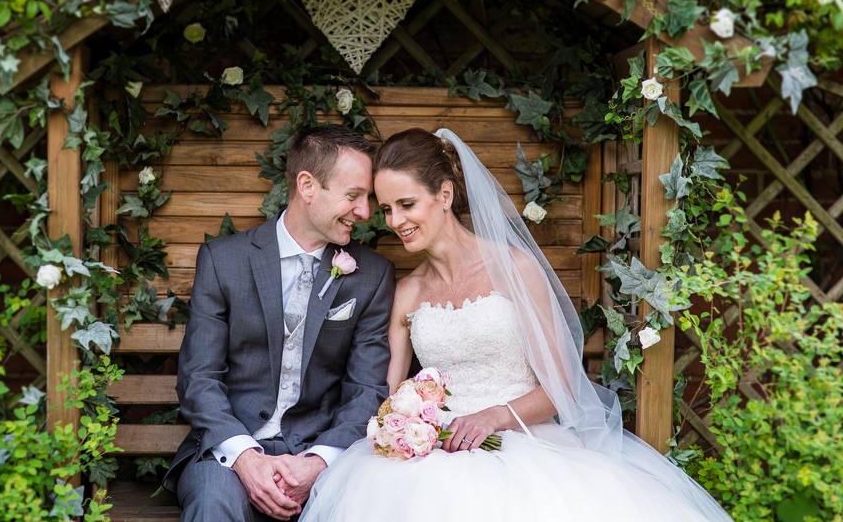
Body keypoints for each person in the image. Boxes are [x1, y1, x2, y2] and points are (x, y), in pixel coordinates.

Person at [299, 128, 733, 521]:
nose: (396, 222)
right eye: (388, 210)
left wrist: (495, 417)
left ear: (445, 195)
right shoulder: (407, 292)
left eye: (407, 204)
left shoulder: (516, 270)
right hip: (435, 452)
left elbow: (562, 384)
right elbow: (390, 394)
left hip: (527, 447)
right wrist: (404, 426)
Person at [162, 125, 396, 521]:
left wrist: (318, 462)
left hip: (323, 456)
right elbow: (198, 376)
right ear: (307, 185)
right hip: (227, 454)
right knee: (214, 506)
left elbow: (366, 389)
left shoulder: (371, 275)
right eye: (353, 196)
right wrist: (246, 458)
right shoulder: (225, 260)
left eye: (367, 198)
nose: (365, 212)